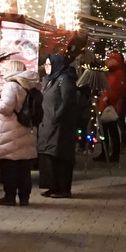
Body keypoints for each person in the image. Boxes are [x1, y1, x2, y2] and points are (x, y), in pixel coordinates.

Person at [0, 62, 40, 206]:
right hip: (26, 130)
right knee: (24, 168)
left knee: (9, 167)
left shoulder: (11, 85)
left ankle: (9, 196)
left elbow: (5, 108)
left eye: (6, 68)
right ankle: (24, 198)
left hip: (11, 132)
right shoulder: (30, 84)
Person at [37, 47, 80, 198]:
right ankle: (53, 186)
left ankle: (63, 188)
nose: (46, 67)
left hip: (60, 126)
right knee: (50, 156)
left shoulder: (65, 79)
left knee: (61, 156)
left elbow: (67, 100)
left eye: (49, 64)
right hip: (48, 123)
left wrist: (57, 117)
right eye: (45, 64)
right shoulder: (49, 80)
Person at [97, 51, 126, 161]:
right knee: (105, 130)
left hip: (111, 106)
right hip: (106, 104)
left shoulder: (119, 73)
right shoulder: (112, 73)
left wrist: (108, 99)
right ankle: (105, 152)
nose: (108, 61)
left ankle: (112, 153)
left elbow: (118, 90)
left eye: (110, 59)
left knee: (111, 130)